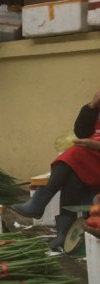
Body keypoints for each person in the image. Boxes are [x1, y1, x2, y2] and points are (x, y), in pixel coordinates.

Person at [11, 89, 100, 249]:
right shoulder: (96, 108)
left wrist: (96, 145)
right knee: (73, 176)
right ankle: (63, 235)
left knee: (74, 153)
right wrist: (92, 106)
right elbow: (81, 132)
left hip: (95, 158)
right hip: (91, 160)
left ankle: (38, 204)